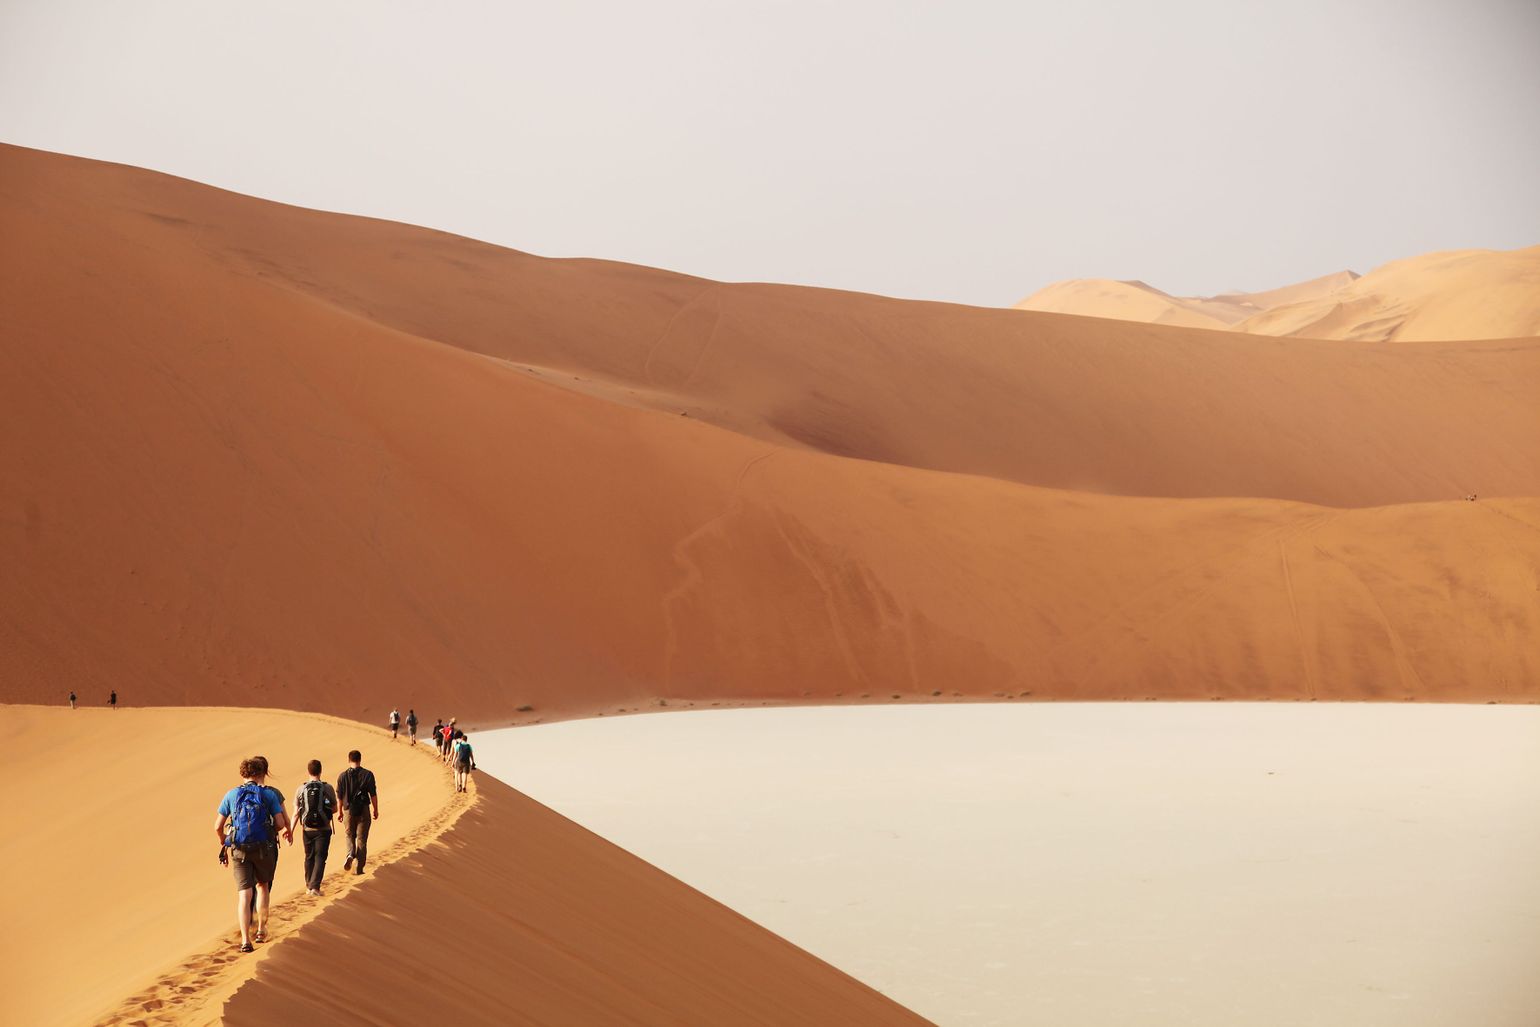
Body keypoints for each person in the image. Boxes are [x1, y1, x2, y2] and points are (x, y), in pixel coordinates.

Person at [216, 757, 292, 952]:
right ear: (260, 773)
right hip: (262, 848)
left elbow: (217, 826)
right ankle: (261, 929)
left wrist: (225, 840)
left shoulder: (231, 795)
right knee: (262, 886)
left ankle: (245, 941)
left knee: (244, 894)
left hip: (239, 849)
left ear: (243, 774)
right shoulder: (268, 795)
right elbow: (281, 823)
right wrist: (269, 833)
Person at [294, 759, 338, 896]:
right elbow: (335, 809)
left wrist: (289, 829)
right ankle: (315, 887)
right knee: (320, 857)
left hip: (307, 830)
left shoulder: (301, 789)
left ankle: (308, 886)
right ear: (320, 771)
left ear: (308, 771)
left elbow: (296, 812)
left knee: (309, 856)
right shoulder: (327, 788)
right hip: (324, 829)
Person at [336, 750, 379, 875]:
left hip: (348, 810)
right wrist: (375, 809)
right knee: (362, 840)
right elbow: (373, 794)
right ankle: (359, 868)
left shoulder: (342, 776)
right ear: (360, 760)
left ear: (349, 760)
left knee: (349, 835)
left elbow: (339, 796)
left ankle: (350, 854)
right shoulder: (368, 774)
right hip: (363, 810)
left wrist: (339, 812)